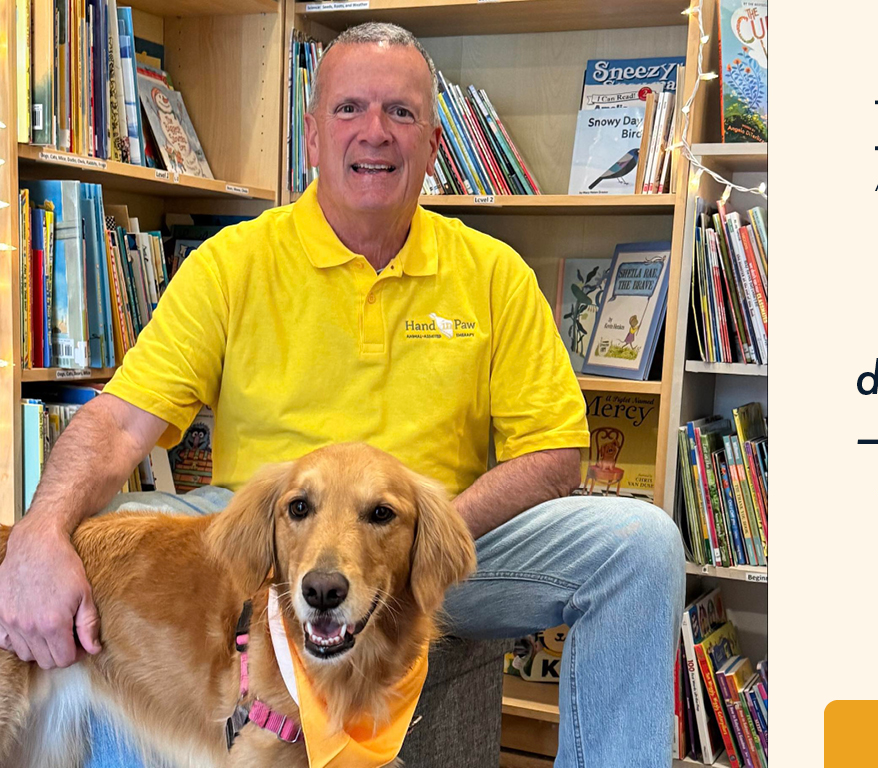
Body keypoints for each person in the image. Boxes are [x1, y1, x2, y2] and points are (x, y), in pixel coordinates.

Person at [0, 22, 684, 768]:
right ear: (313, 136)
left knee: (641, 546)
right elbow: (122, 422)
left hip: (443, 530)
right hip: (270, 525)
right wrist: (40, 531)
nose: (376, 134)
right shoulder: (231, 263)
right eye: (350, 108)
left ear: (431, 143)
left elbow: (553, 454)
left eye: (401, 113)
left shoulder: (494, 272)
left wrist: (412, 535)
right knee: (120, 529)